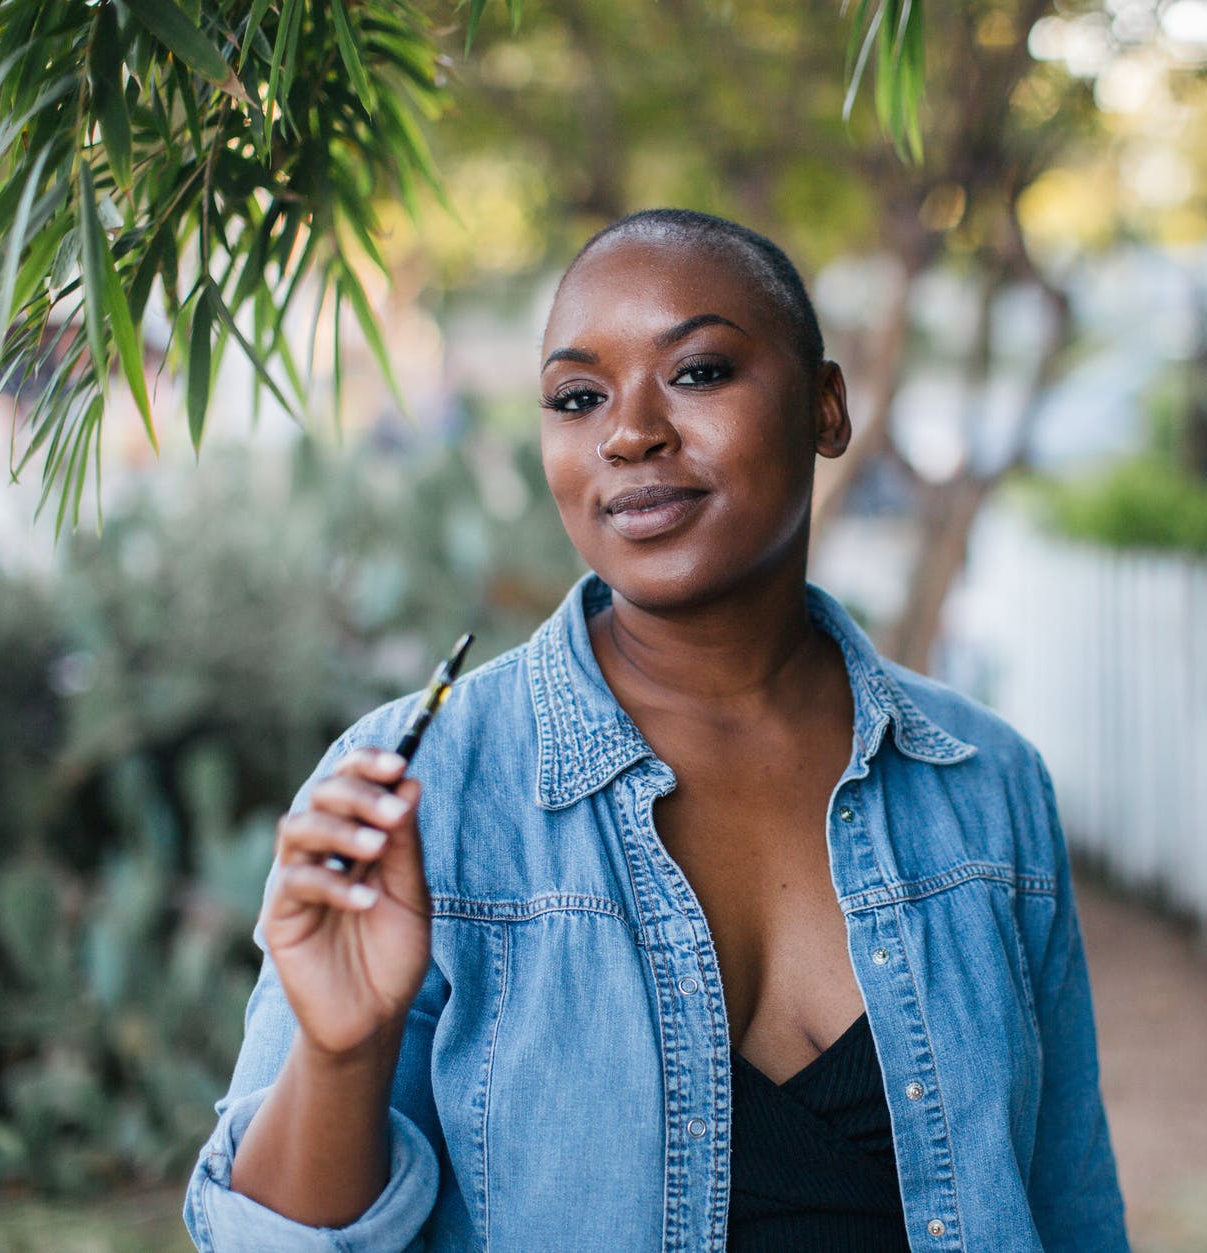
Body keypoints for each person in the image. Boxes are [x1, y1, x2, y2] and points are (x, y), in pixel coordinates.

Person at [181, 208, 1128, 1251]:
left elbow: (1068, 1204)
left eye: (698, 372)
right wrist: (341, 1048)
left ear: (824, 406)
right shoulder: (424, 787)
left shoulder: (983, 781)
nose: (628, 431)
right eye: (577, 396)